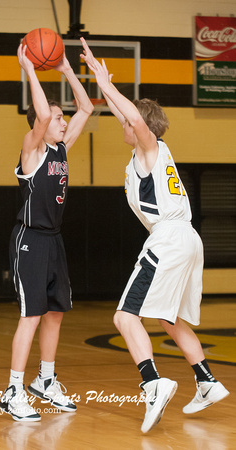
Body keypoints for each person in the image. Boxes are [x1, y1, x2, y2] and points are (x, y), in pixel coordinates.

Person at [80, 38, 229, 433]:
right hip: (187, 239)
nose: (123, 125)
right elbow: (125, 117)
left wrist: (107, 85)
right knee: (170, 319)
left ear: (139, 125)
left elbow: (135, 120)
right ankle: (206, 380)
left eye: (127, 121)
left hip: (168, 239)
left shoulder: (150, 148)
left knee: (124, 317)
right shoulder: (148, 154)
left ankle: (153, 382)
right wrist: (101, 85)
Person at [0, 43, 93, 422]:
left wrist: (68, 70)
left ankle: (46, 380)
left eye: (61, 118)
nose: (63, 121)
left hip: (54, 240)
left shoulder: (61, 150)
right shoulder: (33, 151)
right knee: (32, 315)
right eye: (57, 118)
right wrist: (31, 69)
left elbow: (86, 108)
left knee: (56, 313)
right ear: (41, 125)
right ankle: (13, 389)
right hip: (30, 240)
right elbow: (39, 112)